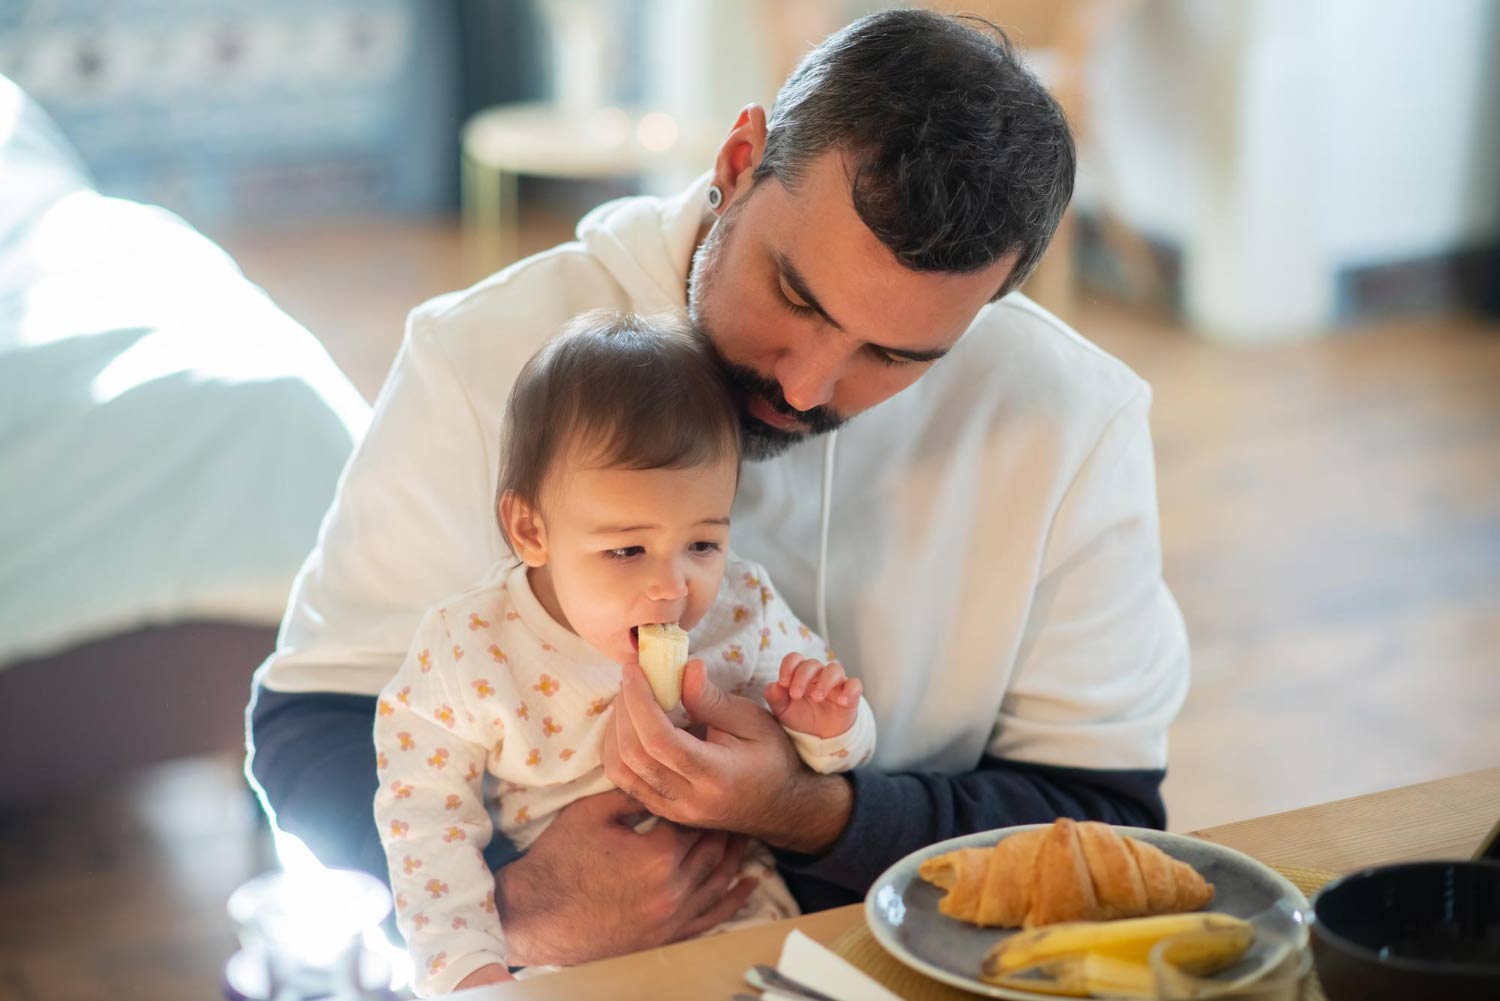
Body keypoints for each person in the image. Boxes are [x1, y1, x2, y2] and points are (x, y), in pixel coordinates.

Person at [248, 8, 1189, 967]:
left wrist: (812, 812)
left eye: (896, 355)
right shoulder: (475, 361)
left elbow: (1104, 817)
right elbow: (309, 724)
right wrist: (515, 907)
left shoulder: (1072, 423)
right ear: (740, 159)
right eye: (795, 296)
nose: (806, 386)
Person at [373, 311, 875, 994]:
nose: (673, 587)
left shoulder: (740, 606)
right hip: (568, 957)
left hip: (746, 928)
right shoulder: (471, 650)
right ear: (530, 529)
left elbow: (838, 755)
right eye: (626, 550)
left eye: (702, 542)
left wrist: (831, 727)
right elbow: (422, 819)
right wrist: (466, 965)